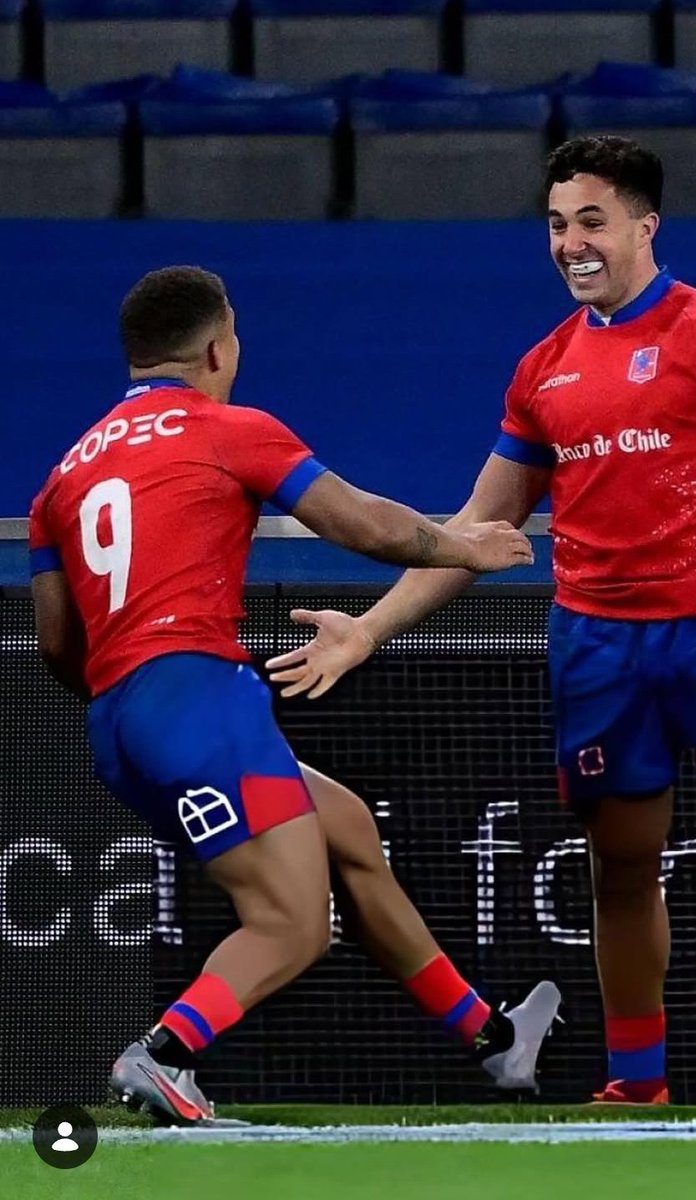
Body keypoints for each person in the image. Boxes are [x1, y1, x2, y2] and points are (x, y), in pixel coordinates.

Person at [265, 135, 696, 1105]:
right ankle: (635, 1086)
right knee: (618, 870)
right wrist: (368, 627)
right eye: (557, 226)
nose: (570, 244)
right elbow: (476, 530)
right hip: (597, 650)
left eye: (591, 221)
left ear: (645, 226)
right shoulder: (542, 371)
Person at [29, 265, 560, 1127]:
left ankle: (494, 1038)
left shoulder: (62, 478)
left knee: (345, 828)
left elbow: (57, 642)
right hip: (199, 697)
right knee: (292, 921)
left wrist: (136, 697)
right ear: (215, 347)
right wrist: (464, 547)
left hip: (117, 721)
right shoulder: (229, 427)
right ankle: (164, 1054)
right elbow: (361, 522)